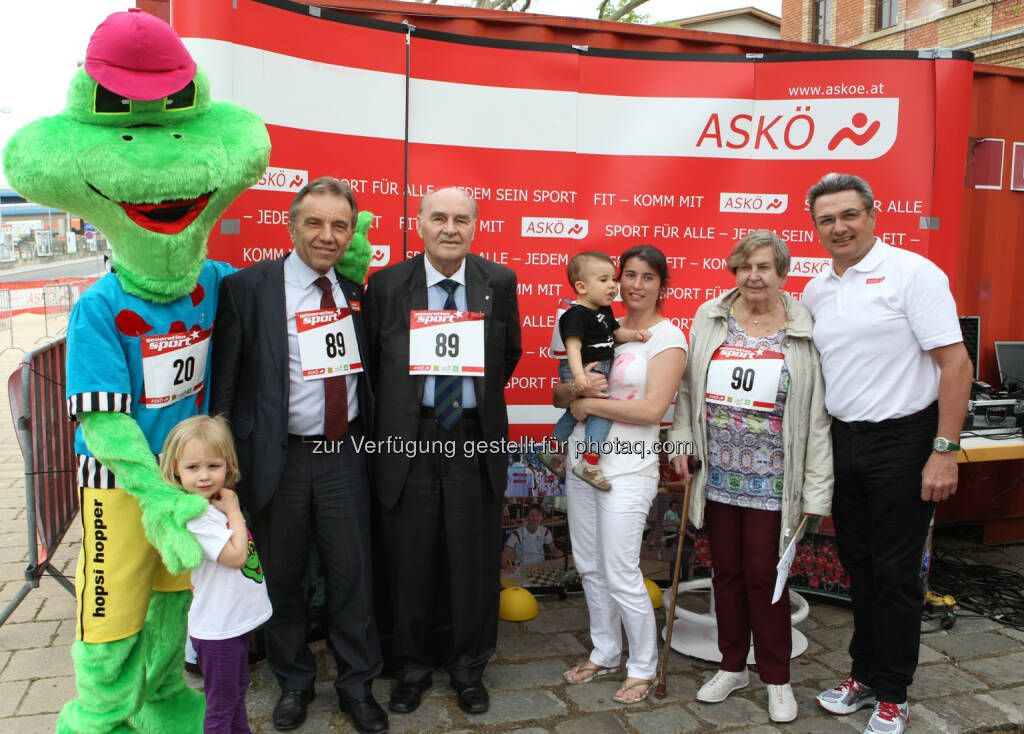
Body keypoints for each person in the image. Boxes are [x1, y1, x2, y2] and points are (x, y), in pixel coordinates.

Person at [210, 177, 386, 733]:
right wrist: (224, 471)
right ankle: (294, 682)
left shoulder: (358, 294)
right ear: (291, 225)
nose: (327, 235)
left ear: (351, 233)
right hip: (276, 461)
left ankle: (358, 686)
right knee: (283, 579)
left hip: (345, 456)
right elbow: (228, 386)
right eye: (315, 222)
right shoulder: (247, 289)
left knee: (352, 577)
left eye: (339, 225)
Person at [802, 173, 972, 734]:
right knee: (860, 566)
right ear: (816, 227)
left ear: (873, 214)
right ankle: (863, 675)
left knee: (897, 574)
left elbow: (956, 365)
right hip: (844, 440)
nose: (838, 227)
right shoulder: (817, 289)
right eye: (826, 219)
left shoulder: (913, 275)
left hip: (905, 441)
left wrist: (943, 451)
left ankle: (893, 694)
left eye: (848, 215)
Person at [365, 187, 521, 716]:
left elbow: (510, 353)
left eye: (461, 219)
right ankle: (409, 669)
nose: (450, 228)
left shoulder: (498, 282)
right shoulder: (386, 285)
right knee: (409, 560)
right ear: (419, 224)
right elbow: (372, 362)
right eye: (439, 218)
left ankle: (467, 669)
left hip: (472, 440)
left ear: (475, 226)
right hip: (410, 440)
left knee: (472, 563)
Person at [666, 229, 833, 723]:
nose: (753, 276)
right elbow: (689, 393)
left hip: (776, 480)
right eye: (744, 267)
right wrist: (681, 446)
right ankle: (733, 664)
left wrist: (818, 491)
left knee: (767, 577)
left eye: (763, 267)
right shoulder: (711, 316)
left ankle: (777, 678)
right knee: (727, 574)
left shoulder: (803, 325)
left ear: (782, 272)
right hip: (718, 473)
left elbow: (818, 416)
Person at [555, 245, 687, 705]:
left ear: (661, 284)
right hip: (581, 464)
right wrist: (576, 389)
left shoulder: (668, 337)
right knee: (589, 564)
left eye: (646, 277)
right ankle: (606, 650)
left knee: (620, 568)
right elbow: (559, 393)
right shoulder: (594, 323)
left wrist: (588, 403)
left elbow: (652, 409)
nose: (633, 284)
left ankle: (642, 666)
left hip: (629, 469)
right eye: (627, 274)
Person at [160, 415, 272, 734]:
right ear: (175, 470)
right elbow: (237, 556)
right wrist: (235, 511)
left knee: (235, 695)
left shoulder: (211, 506)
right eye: (193, 467)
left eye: (214, 465)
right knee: (220, 709)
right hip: (218, 631)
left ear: (228, 466)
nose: (205, 476)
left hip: (233, 622)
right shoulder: (198, 517)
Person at [538, 251, 650, 490]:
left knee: (580, 411)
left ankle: (553, 449)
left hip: (598, 368)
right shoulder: (574, 315)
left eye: (613, 279)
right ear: (581, 287)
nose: (612, 286)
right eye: (603, 280)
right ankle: (589, 462)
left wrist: (635, 335)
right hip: (584, 367)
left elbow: (615, 333)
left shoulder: (604, 310)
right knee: (601, 410)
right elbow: (573, 347)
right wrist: (579, 379)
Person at [502, 503, 565, 570]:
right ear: (527, 517)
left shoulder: (545, 532)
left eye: (538, 515)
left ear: (542, 518)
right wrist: (506, 566)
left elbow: (553, 548)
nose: (535, 518)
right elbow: (504, 554)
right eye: (532, 515)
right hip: (522, 568)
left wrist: (556, 551)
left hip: (540, 566)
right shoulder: (517, 533)